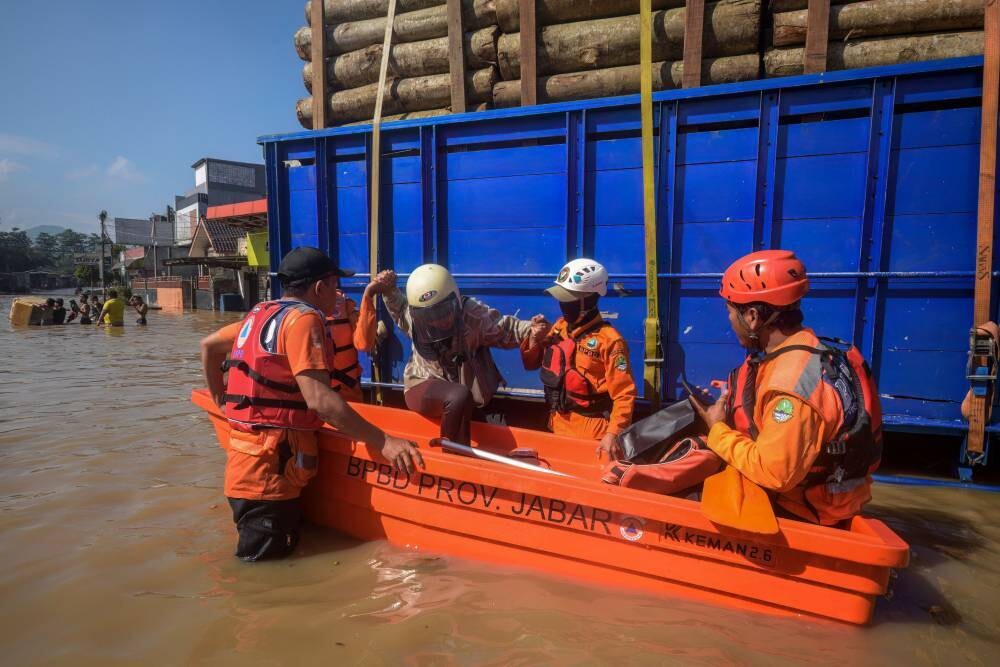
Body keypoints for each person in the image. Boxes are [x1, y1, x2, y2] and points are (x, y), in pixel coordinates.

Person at [200, 246, 422, 561]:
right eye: (335, 285)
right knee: (265, 584)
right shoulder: (304, 320)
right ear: (320, 287)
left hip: (248, 467)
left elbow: (208, 347)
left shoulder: (260, 315)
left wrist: (221, 401)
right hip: (269, 478)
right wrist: (384, 441)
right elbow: (319, 400)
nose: (338, 293)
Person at [689, 250, 882, 526]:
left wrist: (717, 429)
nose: (730, 321)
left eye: (731, 312)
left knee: (687, 496)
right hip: (825, 497)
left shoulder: (791, 386)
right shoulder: (810, 349)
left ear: (753, 316)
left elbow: (774, 473)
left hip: (808, 511)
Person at [376, 265, 542, 445]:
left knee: (463, 398)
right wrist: (389, 288)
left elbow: (506, 328)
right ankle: (453, 457)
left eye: (445, 311)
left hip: (461, 395)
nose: (441, 320)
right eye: (431, 316)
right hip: (422, 383)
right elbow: (400, 309)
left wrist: (532, 330)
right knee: (458, 395)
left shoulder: (471, 315)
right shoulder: (414, 319)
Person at [520, 259, 636, 459]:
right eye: (562, 299)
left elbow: (624, 395)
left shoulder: (610, 341)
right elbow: (530, 364)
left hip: (592, 434)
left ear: (589, 300)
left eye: (569, 299)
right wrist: (534, 338)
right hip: (556, 425)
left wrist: (613, 433)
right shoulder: (559, 327)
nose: (564, 305)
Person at [324, 281, 378, 401]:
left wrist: (368, 295)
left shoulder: (343, 303)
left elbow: (363, 343)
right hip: (315, 396)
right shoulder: (298, 314)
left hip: (347, 393)